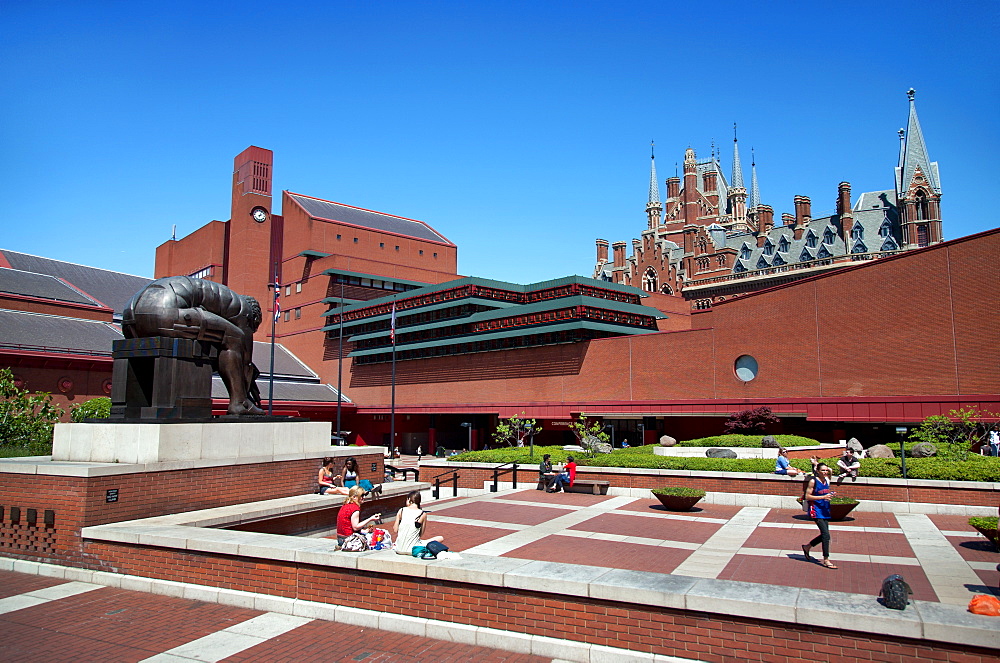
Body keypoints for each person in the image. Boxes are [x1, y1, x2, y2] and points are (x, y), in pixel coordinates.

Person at [121, 276, 264, 415]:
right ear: (254, 318)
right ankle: (240, 403)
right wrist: (245, 384)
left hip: (129, 315)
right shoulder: (245, 310)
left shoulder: (226, 299)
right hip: (164, 311)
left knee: (222, 335)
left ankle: (126, 406)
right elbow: (244, 358)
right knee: (234, 337)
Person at [801, 462, 837, 569]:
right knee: (826, 535)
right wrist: (822, 497)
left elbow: (831, 471)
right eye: (823, 470)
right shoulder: (813, 481)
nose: (825, 472)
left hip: (825, 509)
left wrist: (829, 495)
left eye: (826, 470)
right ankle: (826, 559)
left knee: (824, 535)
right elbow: (807, 496)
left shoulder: (827, 480)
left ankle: (807, 547)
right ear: (817, 471)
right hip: (816, 510)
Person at [392, 490, 444, 555]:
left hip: (398, 549)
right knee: (440, 538)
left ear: (409, 500)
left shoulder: (401, 510)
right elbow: (421, 534)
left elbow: (395, 529)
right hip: (413, 550)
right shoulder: (422, 514)